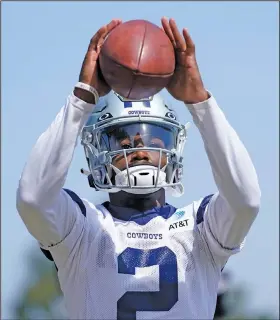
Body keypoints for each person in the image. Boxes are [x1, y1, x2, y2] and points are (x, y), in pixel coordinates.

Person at [16, 17, 261, 320]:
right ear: (97, 150)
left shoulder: (200, 230)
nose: (141, 151)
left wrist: (200, 102)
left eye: (153, 138)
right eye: (125, 141)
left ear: (173, 148)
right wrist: (82, 99)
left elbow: (246, 199)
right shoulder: (82, 228)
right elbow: (32, 198)